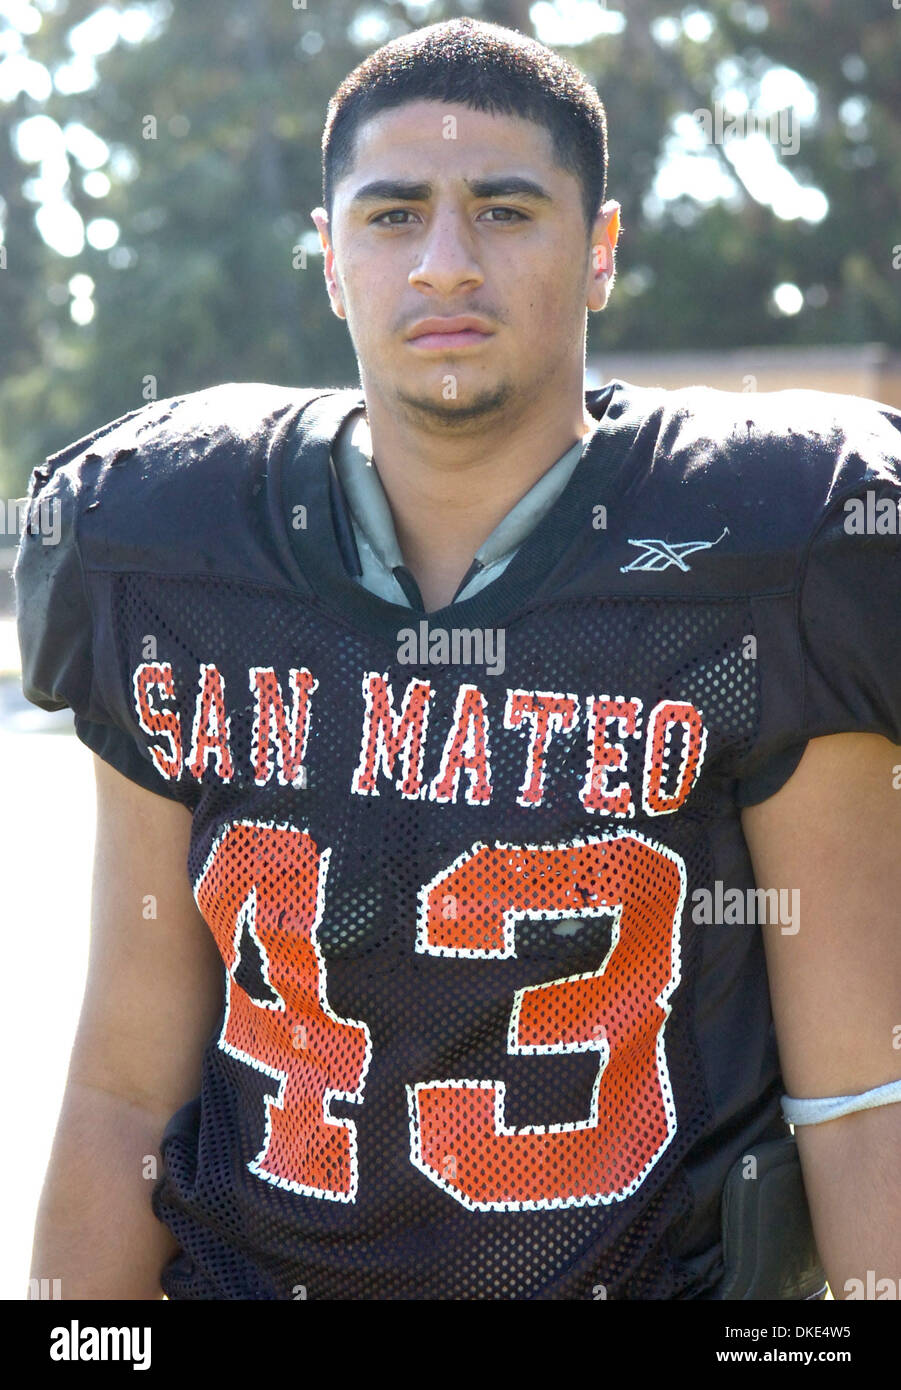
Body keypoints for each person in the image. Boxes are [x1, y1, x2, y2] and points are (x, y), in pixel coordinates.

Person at [14, 17, 901, 1301]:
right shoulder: (176, 550)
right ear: (330, 261)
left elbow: (859, 1098)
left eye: (503, 210)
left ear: (600, 252)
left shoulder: (765, 555)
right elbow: (118, 1093)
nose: (443, 265)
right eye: (390, 216)